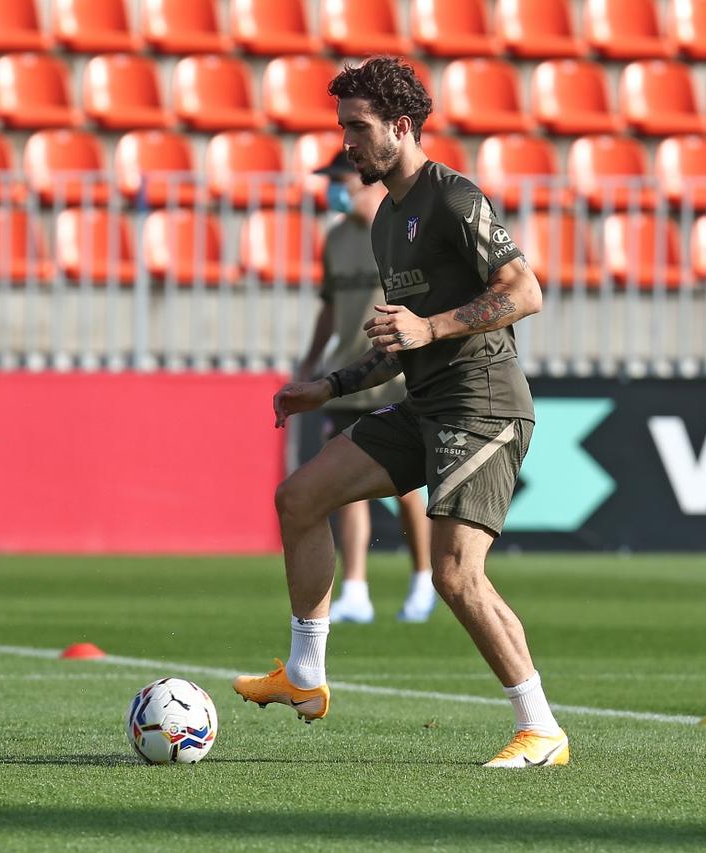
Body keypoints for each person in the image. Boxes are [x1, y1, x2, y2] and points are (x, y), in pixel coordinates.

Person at [234, 56, 568, 769]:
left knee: (454, 574)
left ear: (400, 126)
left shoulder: (453, 198)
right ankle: (306, 673)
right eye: (343, 127)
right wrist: (327, 386)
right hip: (425, 401)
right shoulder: (386, 216)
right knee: (300, 496)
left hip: (482, 405)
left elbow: (525, 289)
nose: (348, 142)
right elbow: (400, 336)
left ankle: (541, 729)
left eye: (358, 128)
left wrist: (433, 327)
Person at [297, 151, 436, 625]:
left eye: (337, 179)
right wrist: (311, 362)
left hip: (391, 371)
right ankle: (355, 588)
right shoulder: (335, 239)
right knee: (343, 482)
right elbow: (331, 308)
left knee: (403, 489)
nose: (332, 189)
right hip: (348, 375)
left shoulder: (395, 234)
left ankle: (423, 579)